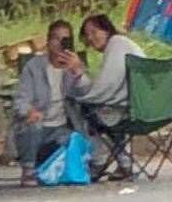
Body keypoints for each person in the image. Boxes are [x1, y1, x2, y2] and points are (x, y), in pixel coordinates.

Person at [58, 14, 145, 181]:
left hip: (127, 110)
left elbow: (104, 89)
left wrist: (78, 71)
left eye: (94, 31)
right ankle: (124, 163)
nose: (90, 38)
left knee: (75, 104)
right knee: (94, 108)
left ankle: (99, 158)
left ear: (107, 30)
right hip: (142, 107)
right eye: (87, 35)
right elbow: (108, 86)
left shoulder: (117, 44)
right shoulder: (122, 44)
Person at [12, 19, 85, 187]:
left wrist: (78, 72)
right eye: (56, 39)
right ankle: (28, 170)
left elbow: (87, 94)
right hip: (37, 124)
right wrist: (29, 111)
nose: (60, 44)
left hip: (61, 127)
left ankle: (78, 167)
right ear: (48, 42)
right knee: (33, 124)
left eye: (65, 39)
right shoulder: (34, 67)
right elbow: (21, 99)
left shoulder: (74, 65)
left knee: (75, 137)